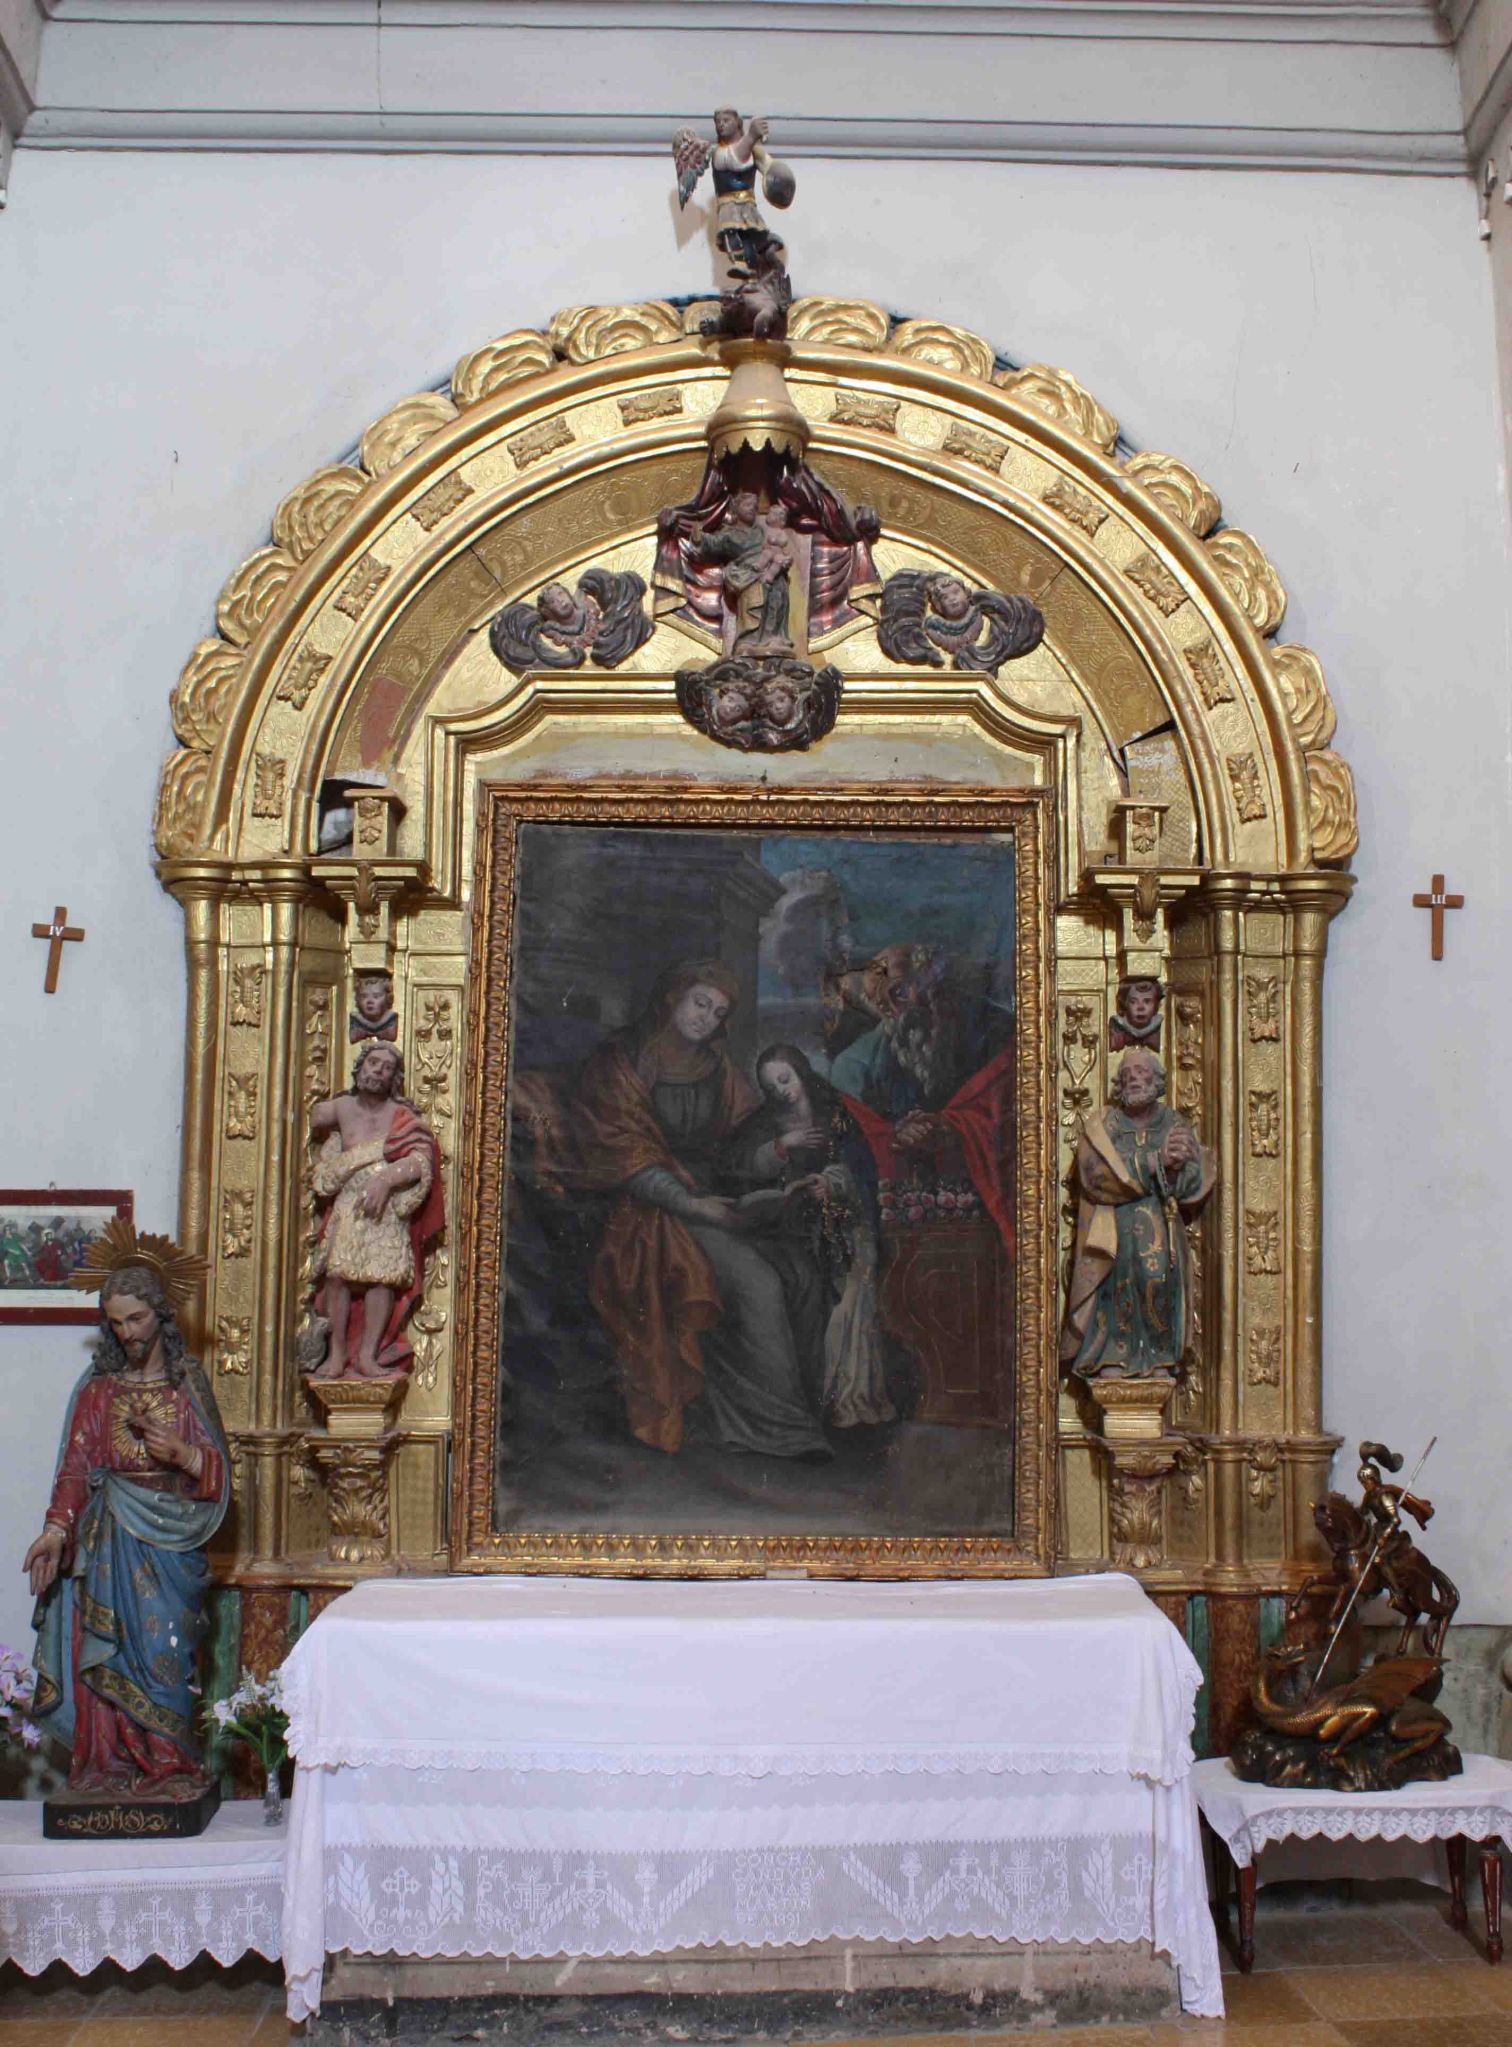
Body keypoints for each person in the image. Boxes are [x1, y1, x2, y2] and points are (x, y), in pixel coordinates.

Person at [572, 960, 833, 1460]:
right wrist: (694, 1204)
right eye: (700, 1002)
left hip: (718, 1200)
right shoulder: (619, 1061)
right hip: (650, 1208)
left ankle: (793, 1413)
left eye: (718, 1012)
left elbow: (743, 1141)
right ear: (673, 995)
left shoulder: (718, 1069)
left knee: (801, 1271)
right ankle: (780, 1430)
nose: (706, 1018)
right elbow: (621, 1151)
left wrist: (778, 1164)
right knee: (757, 1282)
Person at [25, 1258, 229, 1798]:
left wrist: (184, 1455)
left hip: (171, 1545)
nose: (127, 1333)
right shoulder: (98, 1391)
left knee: (167, 1652)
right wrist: (55, 1532)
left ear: (161, 1315)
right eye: (116, 1323)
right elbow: (74, 1470)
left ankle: (170, 1764)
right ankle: (108, 1766)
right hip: (110, 1537)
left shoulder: (187, 1386)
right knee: (105, 1649)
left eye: (136, 1319)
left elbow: (222, 1476)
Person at [723, 1044, 895, 1428]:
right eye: (772, 1087)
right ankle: (805, 1403)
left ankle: (846, 1399)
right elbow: (735, 1164)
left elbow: (862, 1169)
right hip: (792, 1229)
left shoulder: (834, 1113)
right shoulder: (767, 1121)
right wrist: (782, 1147)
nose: (782, 1091)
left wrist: (831, 1183)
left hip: (844, 1222)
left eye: (785, 1079)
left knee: (848, 1303)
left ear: (800, 1072)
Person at [1060, 1048, 1216, 1381]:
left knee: (1157, 1283)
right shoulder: (1105, 1126)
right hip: (1112, 1229)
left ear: (1157, 1081)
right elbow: (1094, 1174)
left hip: (1160, 1227)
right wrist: (1155, 1161)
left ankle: (1160, 1357)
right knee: (1115, 1289)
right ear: (1118, 1084)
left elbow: (1192, 1179)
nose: (1134, 1078)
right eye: (1127, 1073)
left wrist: (1177, 1168)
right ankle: (1112, 1357)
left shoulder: (1173, 1124)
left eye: (1142, 1071)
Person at [309, 1040, 444, 1379]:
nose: (377, 1072)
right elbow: (309, 1116)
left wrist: (386, 1179)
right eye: (372, 1064)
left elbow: (421, 1160)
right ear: (360, 1068)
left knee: (381, 1279)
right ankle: (337, 1354)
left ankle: (368, 1355)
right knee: (337, 1276)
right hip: (349, 1203)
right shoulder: (342, 1108)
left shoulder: (401, 1117)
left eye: (386, 1068)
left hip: (385, 1208)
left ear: (394, 1079)